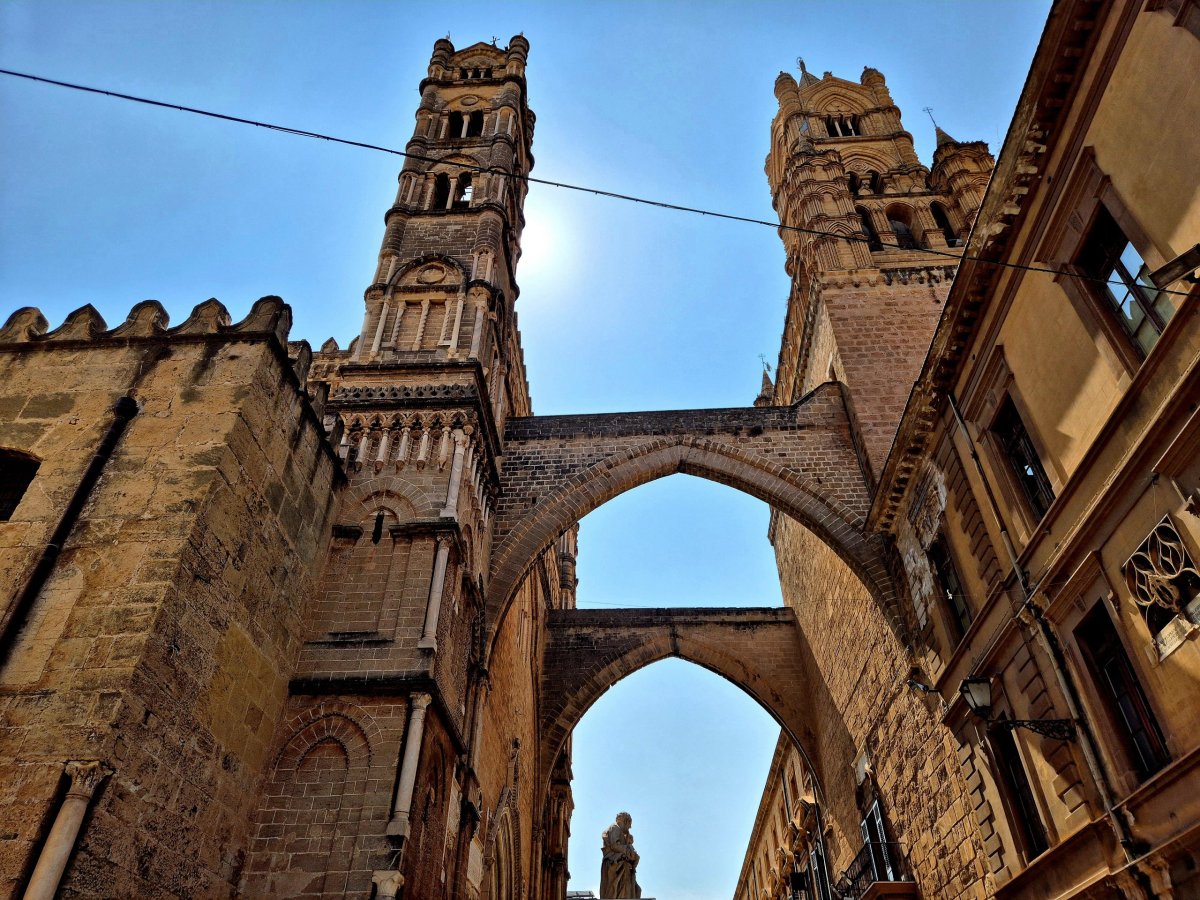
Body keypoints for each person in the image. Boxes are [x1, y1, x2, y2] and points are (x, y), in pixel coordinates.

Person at [599, 811, 641, 898]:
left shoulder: (622, 833)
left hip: (622, 866)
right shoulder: (615, 828)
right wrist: (629, 850)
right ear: (625, 821)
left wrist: (629, 844)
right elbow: (615, 846)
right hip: (616, 866)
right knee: (620, 892)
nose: (630, 827)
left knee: (636, 890)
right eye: (629, 823)